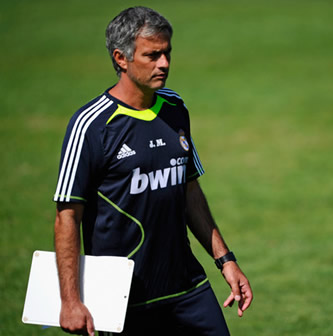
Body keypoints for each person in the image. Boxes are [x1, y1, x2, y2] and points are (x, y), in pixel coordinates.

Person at [53, 6, 252, 335]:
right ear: (121, 58)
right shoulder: (91, 126)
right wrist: (70, 301)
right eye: (153, 55)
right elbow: (67, 216)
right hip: (123, 300)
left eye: (167, 53)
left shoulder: (174, 107)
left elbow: (189, 190)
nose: (164, 64)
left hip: (187, 286)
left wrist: (225, 260)